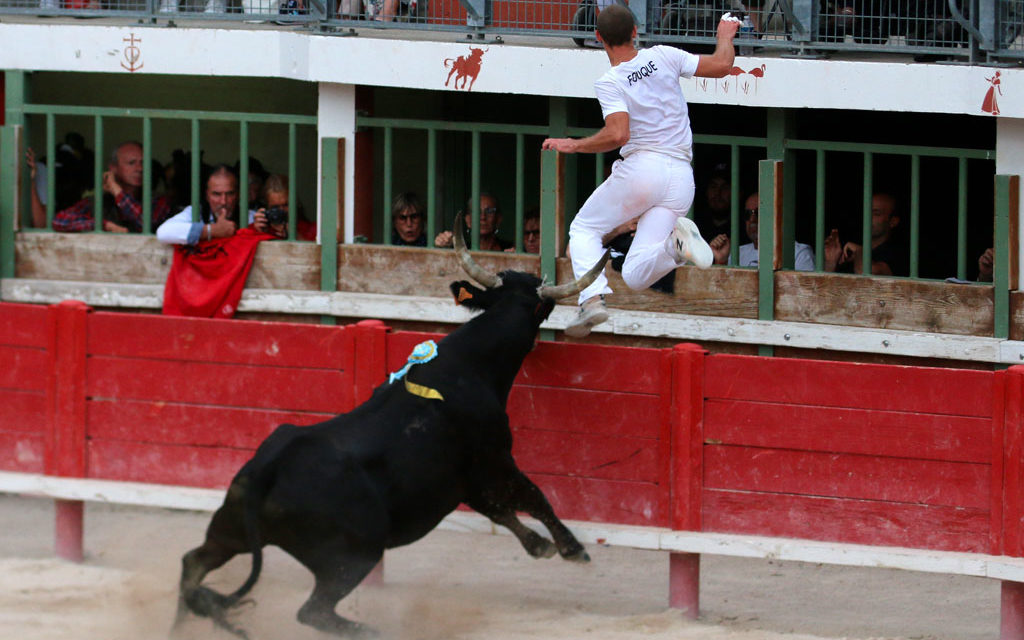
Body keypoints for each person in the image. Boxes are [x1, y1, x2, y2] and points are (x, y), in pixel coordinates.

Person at [540, 5, 737, 337]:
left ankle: (591, 301)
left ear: (598, 37)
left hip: (644, 169)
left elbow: (618, 134)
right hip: (680, 178)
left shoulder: (610, 80)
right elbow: (722, 65)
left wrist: (574, 145)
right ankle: (676, 248)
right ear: (635, 31)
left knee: (584, 229)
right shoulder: (664, 55)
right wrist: (724, 36)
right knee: (635, 274)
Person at [28, 140, 172, 234]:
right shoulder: (98, 202)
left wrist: (117, 191)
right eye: (131, 163)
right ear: (113, 168)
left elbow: (144, 222)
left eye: (143, 162)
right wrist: (104, 225)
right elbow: (60, 221)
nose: (139, 168)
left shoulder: (159, 201)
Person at [156, 165, 268, 245]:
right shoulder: (196, 213)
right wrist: (212, 231)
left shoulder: (250, 217)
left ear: (238, 194)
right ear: (207, 195)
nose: (223, 201)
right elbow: (164, 232)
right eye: (216, 194)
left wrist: (260, 231)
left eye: (230, 194)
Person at [709, 192, 816, 271]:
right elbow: (722, 294)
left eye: (758, 213)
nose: (752, 220)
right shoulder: (737, 253)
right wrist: (721, 261)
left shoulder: (799, 253)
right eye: (747, 214)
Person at [824, 192, 908, 276]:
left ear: (893, 222)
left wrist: (859, 251)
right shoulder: (848, 250)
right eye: (867, 211)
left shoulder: (898, 254)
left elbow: (868, 276)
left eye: (876, 214)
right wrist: (830, 263)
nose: (868, 217)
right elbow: (825, 286)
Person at [434, 193, 513, 251]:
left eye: (489, 211)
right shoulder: (460, 249)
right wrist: (442, 246)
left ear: (498, 219)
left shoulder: (510, 249)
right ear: (468, 220)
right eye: (476, 211)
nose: (483, 217)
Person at [693, 162, 733, 243]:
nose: (718, 193)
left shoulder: (744, 228)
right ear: (706, 191)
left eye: (725, 187)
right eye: (713, 186)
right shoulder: (694, 227)